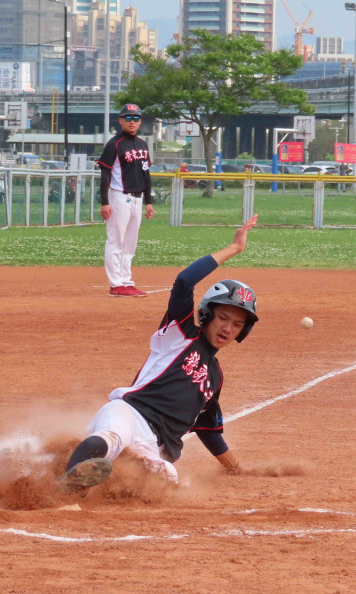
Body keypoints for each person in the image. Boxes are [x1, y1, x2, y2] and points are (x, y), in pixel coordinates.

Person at [58, 214, 260, 494]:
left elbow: (209, 431)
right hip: (129, 413)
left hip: (153, 447)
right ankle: (64, 488)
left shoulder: (214, 378)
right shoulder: (181, 334)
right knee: (111, 437)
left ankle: (110, 475)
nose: (228, 328)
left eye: (237, 324)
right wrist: (234, 249)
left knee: (167, 478)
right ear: (208, 314)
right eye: (223, 317)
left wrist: (236, 469)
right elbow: (184, 282)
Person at [96, 103, 154, 298]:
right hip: (119, 196)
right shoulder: (114, 144)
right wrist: (104, 202)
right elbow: (105, 174)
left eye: (135, 118)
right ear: (120, 120)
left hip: (138, 198)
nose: (132, 121)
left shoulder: (142, 144)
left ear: (140, 121)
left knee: (130, 243)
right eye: (128, 117)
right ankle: (115, 284)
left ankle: (126, 281)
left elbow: (146, 174)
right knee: (116, 241)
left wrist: (148, 201)